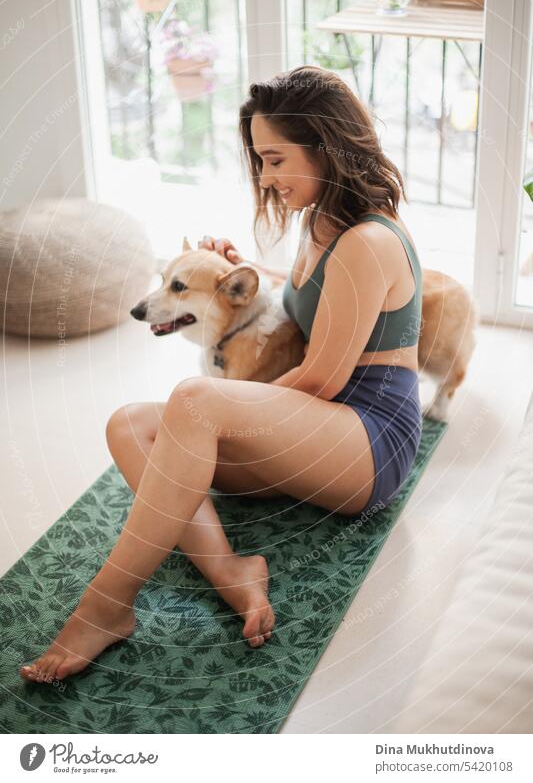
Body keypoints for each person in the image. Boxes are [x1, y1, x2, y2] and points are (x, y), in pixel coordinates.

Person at [20, 65, 422, 682]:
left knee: (196, 403)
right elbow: (315, 294)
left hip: (368, 443)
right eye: (259, 160)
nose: (265, 176)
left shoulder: (368, 240)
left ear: (326, 146)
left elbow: (319, 381)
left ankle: (107, 605)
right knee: (129, 426)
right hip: (327, 429)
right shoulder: (322, 218)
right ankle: (232, 569)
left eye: (274, 158)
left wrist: (220, 413)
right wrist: (242, 269)